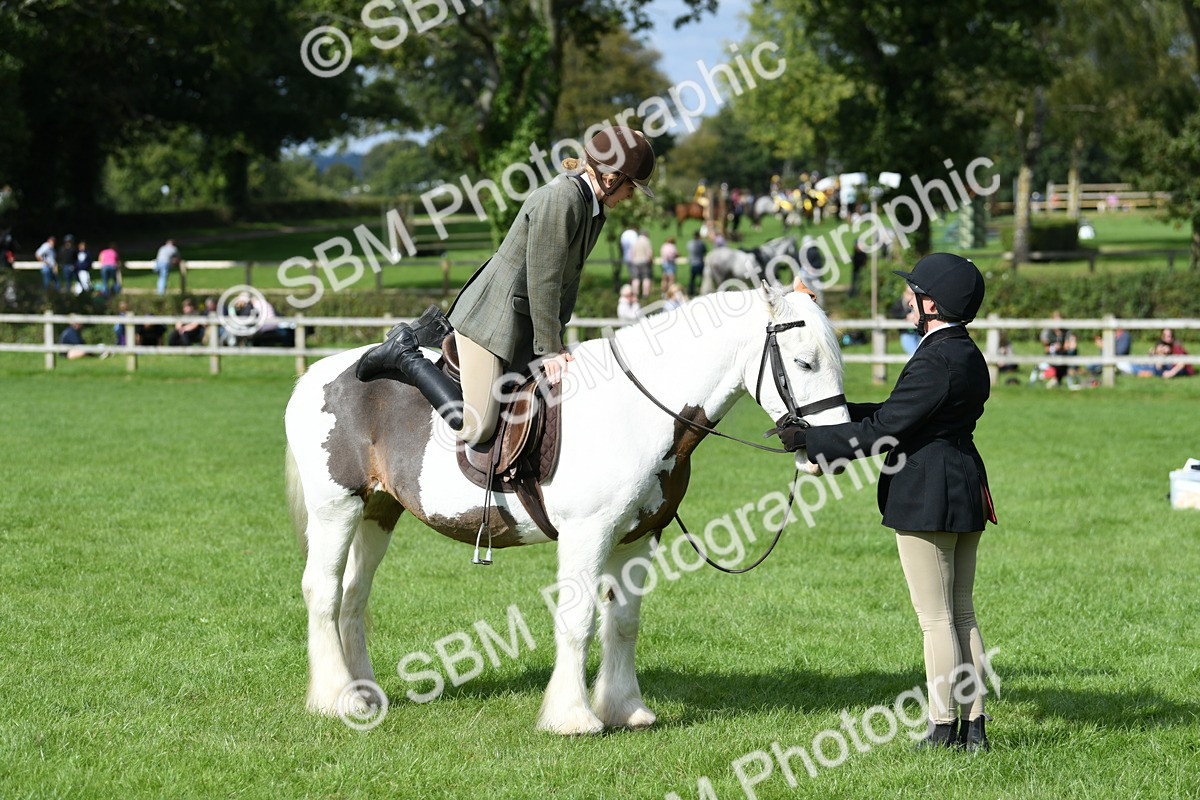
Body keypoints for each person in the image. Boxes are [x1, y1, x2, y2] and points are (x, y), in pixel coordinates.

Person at [775, 253, 997, 752]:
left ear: (931, 303)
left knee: (936, 618)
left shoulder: (934, 358)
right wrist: (822, 422)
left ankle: (942, 727)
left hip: (927, 491)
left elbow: (884, 429)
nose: (907, 297)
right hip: (963, 481)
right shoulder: (966, 354)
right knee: (962, 613)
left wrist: (816, 445)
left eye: (913, 290)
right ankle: (975, 727)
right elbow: (898, 413)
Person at [356, 125, 653, 445]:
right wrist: (550, 350)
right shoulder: (561, 199)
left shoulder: (592, 209)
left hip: (521, 325)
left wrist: (557, 340)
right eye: (632, 187)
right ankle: (404, 351)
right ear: (612, 179)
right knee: (476, 426)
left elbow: (567, 283)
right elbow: (544, 279)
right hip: (491, 321)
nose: (631, 196)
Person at [629, 228, 653, 299]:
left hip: (635, 261)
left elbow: (632, 253)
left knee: (635, 278)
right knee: (646, 278)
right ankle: (645, 294)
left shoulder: (635, 241)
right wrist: (650, 260)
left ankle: (635, 294)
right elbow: (649, 253)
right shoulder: (646, 241)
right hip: (644, 261)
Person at [686, 230, 707, 297]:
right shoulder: (701, 243)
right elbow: (704, 251)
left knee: (692, 279)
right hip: (700, 263)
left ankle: (691, 291)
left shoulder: (689, 243)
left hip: (693, 263)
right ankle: (702, 290)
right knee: (703, 278)